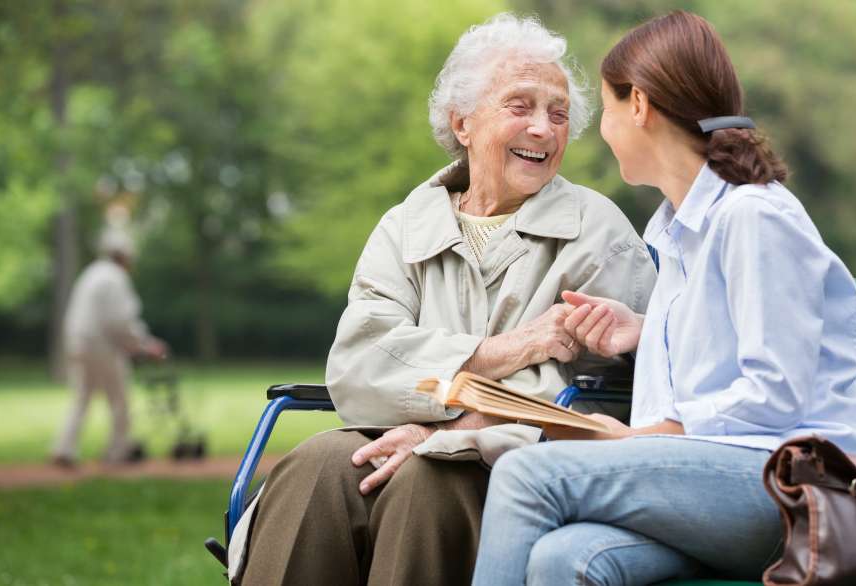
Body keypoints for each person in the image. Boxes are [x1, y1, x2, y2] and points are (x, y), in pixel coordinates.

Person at [234, 13, 656, 586]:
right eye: (520, 106)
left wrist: (450, 434)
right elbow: (358, 363)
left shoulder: (598, 231)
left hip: (517, 462)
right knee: (314, 466)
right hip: (397, 430)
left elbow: (609, 397)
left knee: (425, 481)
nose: (543, 129)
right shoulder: (405, 225)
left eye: (558, 114)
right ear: (463, 122)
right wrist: (504, 351)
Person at [471, 11, 856, 586]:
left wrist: (649, 437)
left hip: (790, 490)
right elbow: (730, 347)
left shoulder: (752, 216)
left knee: (525, 475)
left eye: (608, 112)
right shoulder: (680, 230)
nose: (604, 130)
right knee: (564, 560)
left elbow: (777, 391)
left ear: (638, 105)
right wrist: (643, 330)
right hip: (721, 491)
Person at [50, 228, 167, 468]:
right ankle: (118, 451)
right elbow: (121, 321)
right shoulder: (115, 278)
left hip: (77, 343)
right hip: (101, 346)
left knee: (81, 397)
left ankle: (64, 448)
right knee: (120, 398)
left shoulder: (92, 272)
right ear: (125, 256)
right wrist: (146, 345)